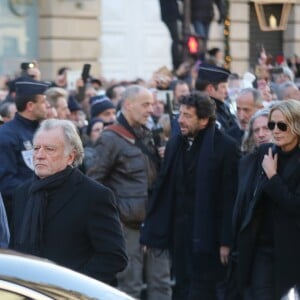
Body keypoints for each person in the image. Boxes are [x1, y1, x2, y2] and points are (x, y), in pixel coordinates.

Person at [140, 91, 240, 300]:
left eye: (187, 116)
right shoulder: (177, 143)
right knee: (183, 288)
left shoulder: (225, 148)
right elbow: (164, 188)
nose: (180, 120)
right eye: (180, 114)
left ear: (204, 120)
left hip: (209, 237)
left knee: (203, 291)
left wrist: (226, 241)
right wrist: (153, 230)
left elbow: (229, 198)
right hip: (181, 234)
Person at [9, 119, 127, 286]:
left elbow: (114, 257)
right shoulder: (22, 193)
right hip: (30, 291)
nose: (40, 155)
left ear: (70, 156)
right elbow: (15, 249)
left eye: (49, 149)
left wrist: (70, 286)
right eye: (36, 148)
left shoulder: (94, 195)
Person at [88, 85, 172, 300]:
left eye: (152, 104)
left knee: (162, 285)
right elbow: (93, 184)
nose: (150, 110)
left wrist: (164, 158)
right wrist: (115, 216)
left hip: (154, 221)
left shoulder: (148, 135)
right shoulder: (110, 138)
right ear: (128, 104)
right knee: (129, 288)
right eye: (145, 104)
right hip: (126, 227)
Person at [232, 100, 300, 299]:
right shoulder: (266, 152)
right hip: (261, 245)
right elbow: (248, 196)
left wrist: (273, 177)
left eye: (282, 125)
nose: (275, 131)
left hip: (292, 249)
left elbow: (294, 205)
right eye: (272, 125)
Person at [0, 78, 49, 223]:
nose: (47, 105)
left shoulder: (42, 131)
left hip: (42, 209)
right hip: (19, 215)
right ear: (30, 105)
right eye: (43, 102)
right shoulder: (6, 135)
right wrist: (41, 189)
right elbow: (6, 182)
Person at [196, 63, 239, 133]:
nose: (227, 92)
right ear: (210, 89)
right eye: (223, 87)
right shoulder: (203, 111)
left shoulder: (223, 106)